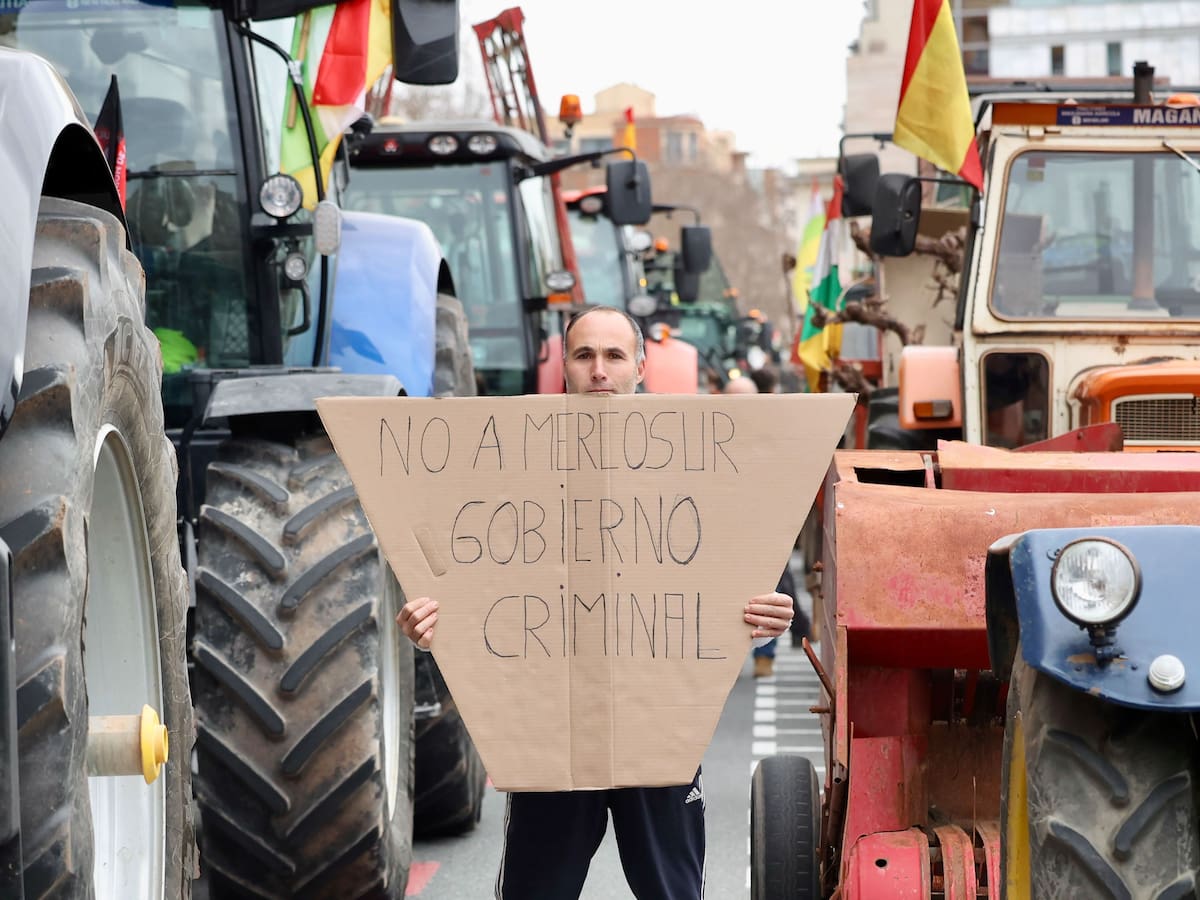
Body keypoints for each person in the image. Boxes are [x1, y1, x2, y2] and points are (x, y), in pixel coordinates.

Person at [397, 306, 795, 900]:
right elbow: (473, 571)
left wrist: (764, 616)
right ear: (565, 369)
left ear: (640, 366)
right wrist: (432, 620)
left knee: (674, 893)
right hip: (553, 730)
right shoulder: (512, 468)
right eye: (584, 356)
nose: (599, 371)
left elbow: (723, 582)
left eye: (613, 356)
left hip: (660, 728)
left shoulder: (698, 470)